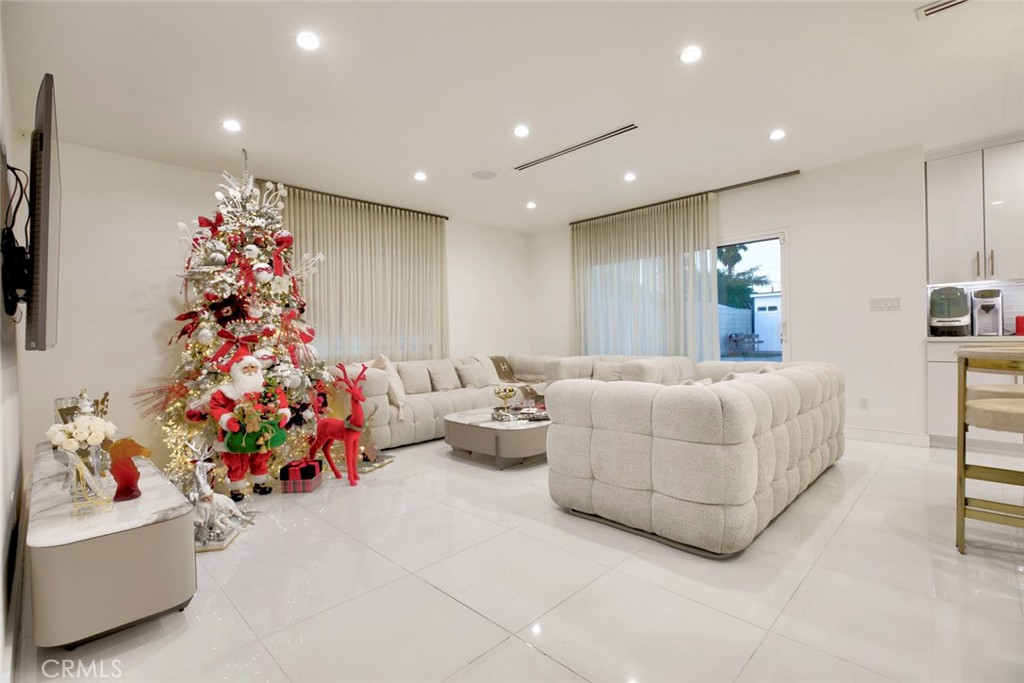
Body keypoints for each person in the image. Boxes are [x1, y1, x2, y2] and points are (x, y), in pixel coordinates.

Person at [209, 354, 290, 501]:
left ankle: (259, 482)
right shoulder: (225, 391)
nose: (250, 371)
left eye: (254, 367)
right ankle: (236, 487)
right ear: (236, 371)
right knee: (235, 459)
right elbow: (216, 406)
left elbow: (282, 403)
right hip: (236, 431)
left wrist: (283, 416)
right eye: (245, 368)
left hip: (263, 431)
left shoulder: (270, 388)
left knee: (262, 455)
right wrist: (228, 420)